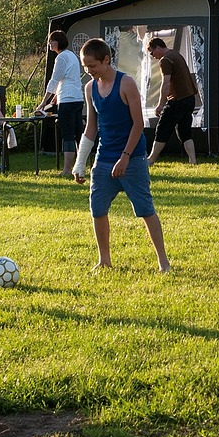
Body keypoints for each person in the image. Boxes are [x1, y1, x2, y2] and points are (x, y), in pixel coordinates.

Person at [72, 38, 171, 272]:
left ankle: (163, 262)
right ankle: (104, 260)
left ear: (106, 60)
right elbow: (91, 129)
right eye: (85, 66)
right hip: (104, 160)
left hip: (132, 159)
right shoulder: (90, 88)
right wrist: (79, 165)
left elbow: (138, 124)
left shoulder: (126, 84)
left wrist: (125, 157)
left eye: (92, 66)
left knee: (146, 210)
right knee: (97, 210)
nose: (88, 71)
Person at [34, 30, 85, 176]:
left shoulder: (61, 57)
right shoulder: (72, 56)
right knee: (78, 133)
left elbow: (55, 80)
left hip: (68, 100)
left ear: (59, 42)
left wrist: (43, 103)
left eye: (52, 40)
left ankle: (67, 170)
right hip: (77, 98)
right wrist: (56, 95)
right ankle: (79, 167)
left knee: (68, 135)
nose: (50, 43)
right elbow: (68, 78)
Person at [144, 36, 199, 165]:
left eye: (152, 52)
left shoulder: (166, 60)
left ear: (158, 47)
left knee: (162, 128)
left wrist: (160, 105)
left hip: (177, 100)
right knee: (184, 130)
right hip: (189, 98)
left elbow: (166, 84)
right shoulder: (176, 55)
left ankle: (150, 160)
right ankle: (193, 160)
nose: (153, 56)